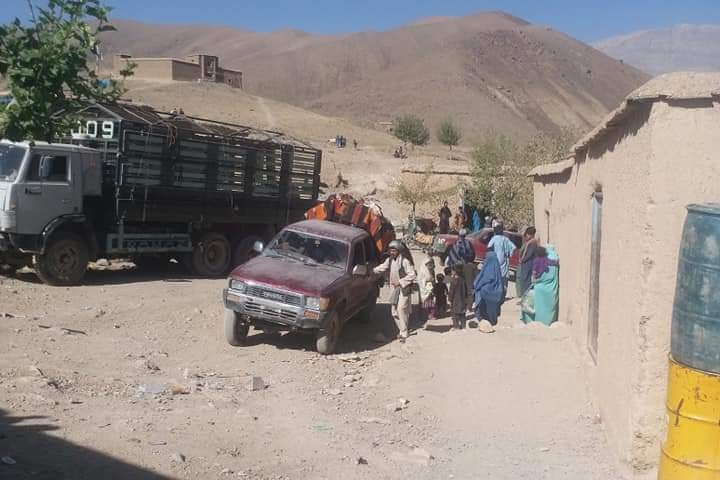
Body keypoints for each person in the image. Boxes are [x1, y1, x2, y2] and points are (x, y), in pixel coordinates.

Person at [373, 240, 416, 341]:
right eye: (391, 250)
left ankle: (404, 333)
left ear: (399, 251)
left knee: (401, 309)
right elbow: (382, 267)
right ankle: (402, 330)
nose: (392, 252)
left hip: (403, 288)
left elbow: (412, 274)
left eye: (394, 250)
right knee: (394, 312)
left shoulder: (405, 261)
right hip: (393, 289)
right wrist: (372, 270)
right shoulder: (390, 260)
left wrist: (400, 282)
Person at [521, 245, 559, 326]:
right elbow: (553, 262)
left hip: (539, 287)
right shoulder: (550, 259)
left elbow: (534, 274)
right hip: (551, 289)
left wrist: (534, 280)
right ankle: (547, 322)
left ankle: (534, 322)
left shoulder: (537, 260)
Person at [473, 245, 505, 333]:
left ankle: (484, 319)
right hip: (497, 292)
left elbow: (485, 278)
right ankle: (492, 320)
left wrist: (477, 285)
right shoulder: (496, 266)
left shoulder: (488, 264)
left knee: (480, 291)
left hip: (487, 292)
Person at [446, 229, 476, 310]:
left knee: (454, 285)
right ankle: (467, 304)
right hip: (466, 267)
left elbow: (451, 257)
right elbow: (472, 255)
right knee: (466, 286)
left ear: (458, 235)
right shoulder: (468, 244)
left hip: (455, 269)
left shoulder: (454, 244)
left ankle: (452, 302)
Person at [488, 222, 516, 298]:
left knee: (496, 279)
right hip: (504, 261)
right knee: (504, 280)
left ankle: (496, 293)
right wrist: (509, 254)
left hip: (495, 262)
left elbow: (489, 248)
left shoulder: (493, 239)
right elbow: (513, 248)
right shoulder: (505, 239)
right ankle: (503, 295)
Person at [516, 226, 538, 298]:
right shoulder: (528, 242)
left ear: (531, 234)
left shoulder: (533, 243)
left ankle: (525, 298)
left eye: (528, 234)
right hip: (526, 265)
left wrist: (522, 260)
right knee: (523, 281)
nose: (527, 236)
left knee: (526, 282)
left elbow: (529, 255)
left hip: (529, 265)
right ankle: (523, 297)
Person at [417, 256, 436, 324]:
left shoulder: (431, 271)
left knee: (430, 303)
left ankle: (430, 315)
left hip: (430, 289)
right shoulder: (422, 272)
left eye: (431, 263)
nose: (430, 265)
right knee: (424, 304)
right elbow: (420, 280)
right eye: (428, 264)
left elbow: (433, 280)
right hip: (424, 289)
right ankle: (424, 316)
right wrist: (427, 281)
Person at [448, 264, 468, 330]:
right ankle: (463, 326)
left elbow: (451, 292)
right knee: (462, 314)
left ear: (455, 271)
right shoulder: (463, 279)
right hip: (462, 299)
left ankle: (456, 326)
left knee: (454, 314)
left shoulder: (453, 280)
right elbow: (466, 290)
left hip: (455, 300)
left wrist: (450, 299)